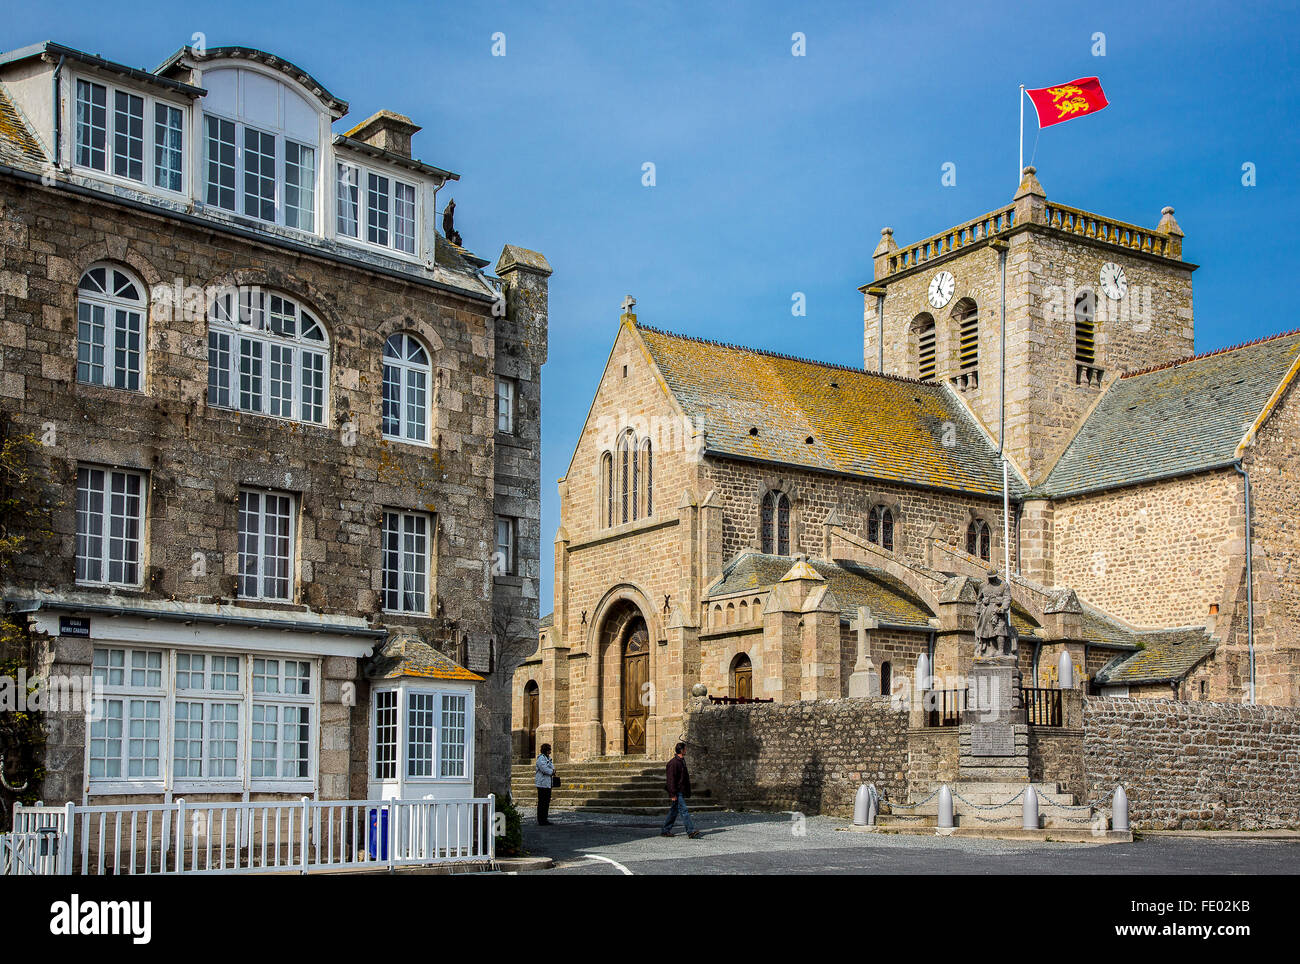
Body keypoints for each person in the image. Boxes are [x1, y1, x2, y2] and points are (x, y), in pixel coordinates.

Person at [661, 742, 702, 838]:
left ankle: (665, 830)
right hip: (677, 791)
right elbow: (671, 780)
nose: (686, 750)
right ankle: (690, 831)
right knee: (684, 811)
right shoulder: (674, 763)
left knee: (673, 811)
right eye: (685, 749)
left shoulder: (681, 761)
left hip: (680, 790)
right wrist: (672, 794)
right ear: (681, 750)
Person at [535, 743, 555, 825]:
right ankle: (541, 820)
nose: (550, 750)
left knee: (546, 802)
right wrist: (552, 772)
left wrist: (552, 770)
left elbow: (552, 767)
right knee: (542, 802)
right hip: (542, 784)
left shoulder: (548, 758)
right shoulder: (541, 759)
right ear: (546, 750)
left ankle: (545, 819)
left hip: (548, 783)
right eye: (549, 749)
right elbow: (544, 769)